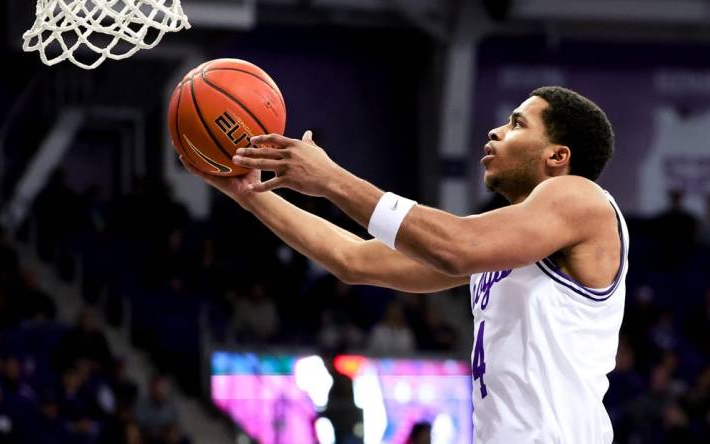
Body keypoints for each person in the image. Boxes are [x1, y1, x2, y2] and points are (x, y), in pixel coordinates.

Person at [181, 86, 627, 443]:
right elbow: (351, 259)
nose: (494, 131)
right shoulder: (500, 243)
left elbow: (456, 245)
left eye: (515, 124)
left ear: (558, 156)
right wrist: (249, 194)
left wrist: (330, 179)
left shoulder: (579, 196)